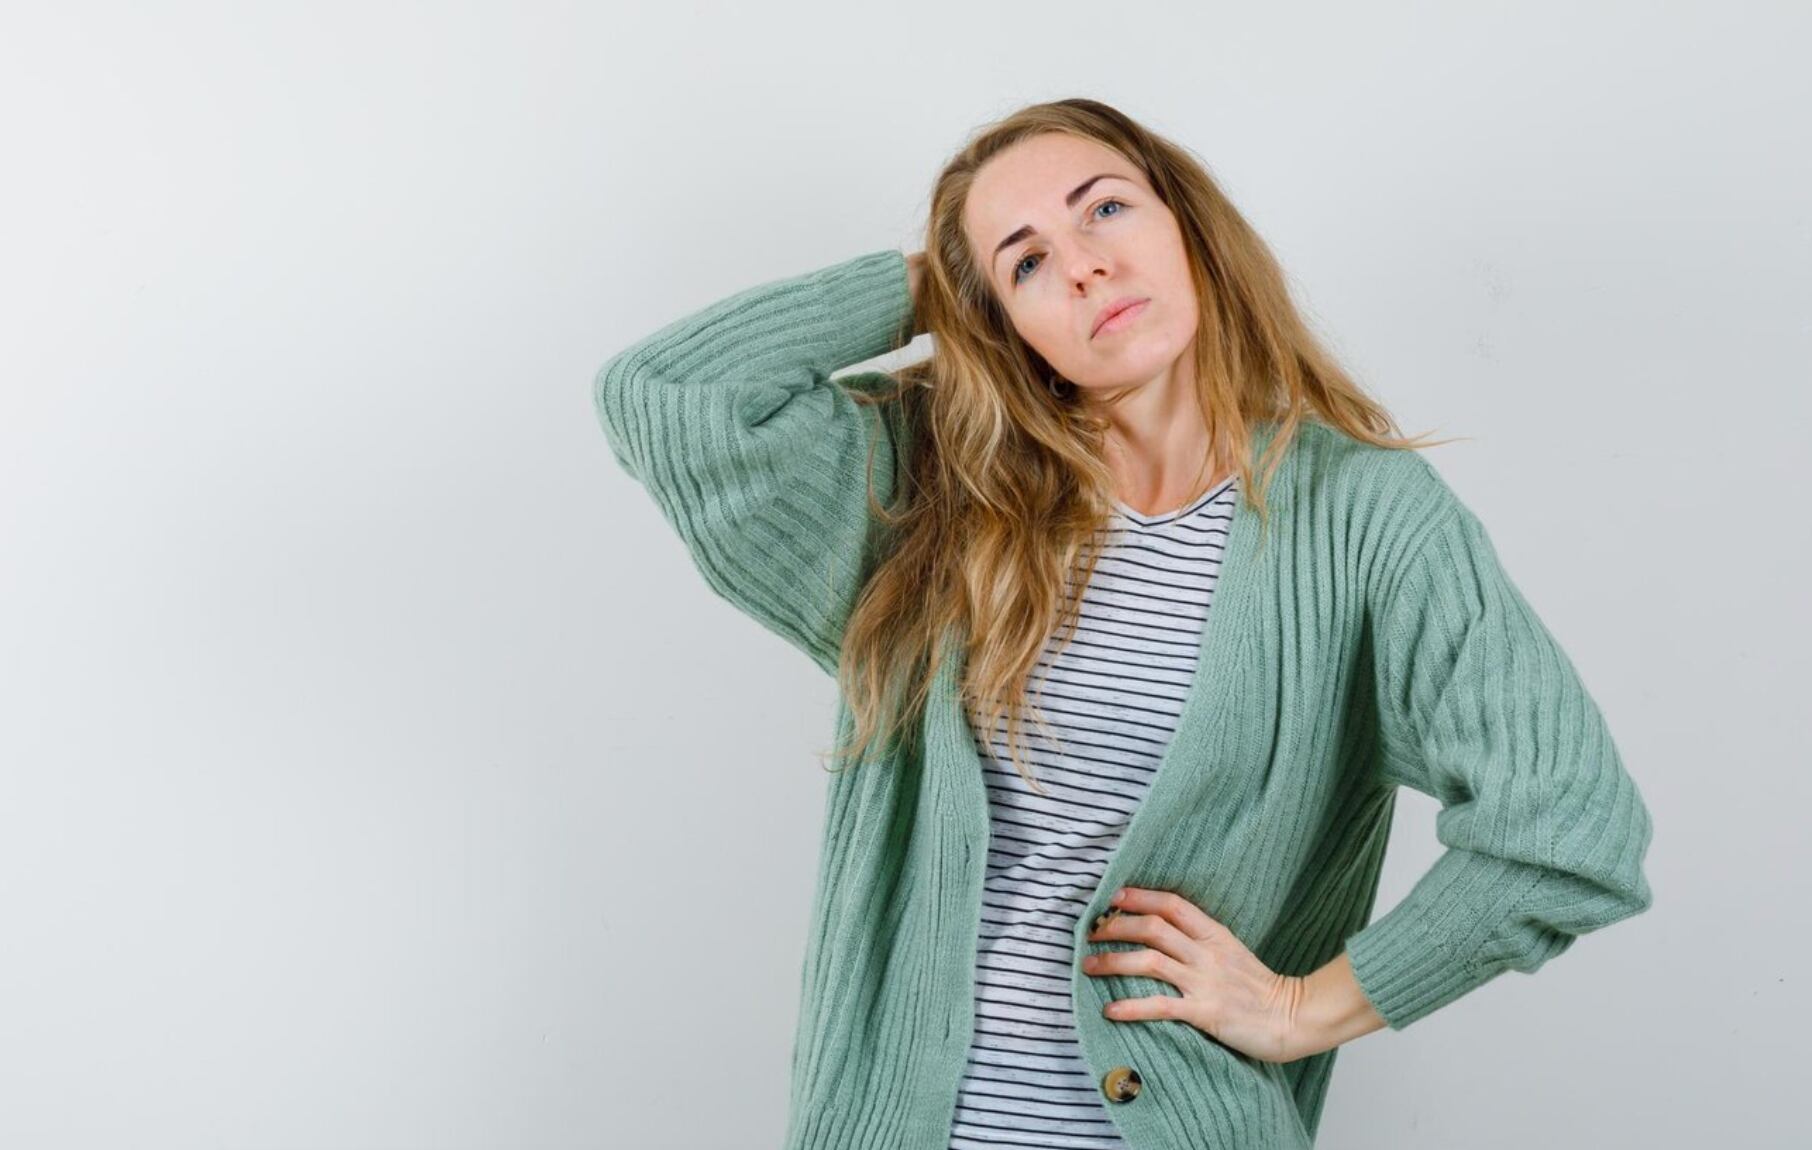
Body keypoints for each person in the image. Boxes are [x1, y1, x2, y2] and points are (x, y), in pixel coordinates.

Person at [590, 97, 1655, 1150]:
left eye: (1104, 209)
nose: (1086, 267)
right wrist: (933, 288)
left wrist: (1303, 1009)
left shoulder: (1360, 516)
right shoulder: (941, 490)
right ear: (1001, 324)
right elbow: (668, 396)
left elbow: (1569, 824)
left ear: (1186, 220)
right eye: (1027, 263)